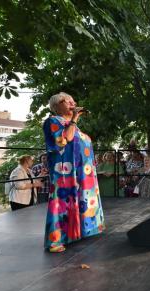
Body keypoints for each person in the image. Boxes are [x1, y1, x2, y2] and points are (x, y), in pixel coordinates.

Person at [43, 92, 104, 253]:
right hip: (65, 172)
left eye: (73, 100)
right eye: (67, 100)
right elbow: (64, 140)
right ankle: (55, 240)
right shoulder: (53, 121)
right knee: (61, 202)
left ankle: (79, 232)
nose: (72, 102)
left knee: (82, 201)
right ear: (56, 106)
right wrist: (75, 119)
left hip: (83, 173)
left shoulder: (73, 126)